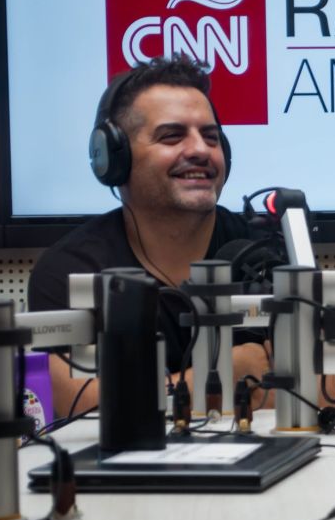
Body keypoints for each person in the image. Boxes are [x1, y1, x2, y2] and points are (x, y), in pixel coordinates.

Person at [27, 55, 271, 418]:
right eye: (172, 136)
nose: (200, 150)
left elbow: (320, 393)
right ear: (114, 158)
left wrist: (142, 394)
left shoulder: (264, 253)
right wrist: (224, 374)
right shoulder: (71, 269)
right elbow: (76, 407)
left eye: (211, 136)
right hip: (122, 474)